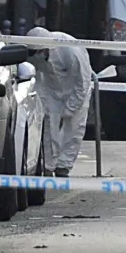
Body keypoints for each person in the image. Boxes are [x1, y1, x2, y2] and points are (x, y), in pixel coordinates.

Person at [25, 27, 93, 176]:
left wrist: (70, 108)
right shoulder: (34, 55)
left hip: (76, 88)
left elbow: (82, 81)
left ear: (45, 50)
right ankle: (48, 165)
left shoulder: (71, 51)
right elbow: (37, 78)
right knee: (49, 125)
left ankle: (64, 165)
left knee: (74, 128)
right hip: (50, 88)